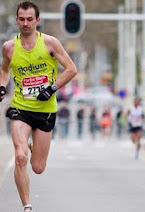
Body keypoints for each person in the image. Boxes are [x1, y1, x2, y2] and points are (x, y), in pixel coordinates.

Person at [0, 2, 77, 212]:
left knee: (38, 167)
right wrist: (1, 86)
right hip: (20, 108)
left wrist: (51, 89)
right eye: (22, 19)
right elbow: (4, 72)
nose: (25, 23)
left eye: (29, 19)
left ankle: (33, 146)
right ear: (17, 20)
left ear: (37, 21)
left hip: (45, 110)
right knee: (20, 156)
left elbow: (71, 69)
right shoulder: (9, 47)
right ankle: (27, 205)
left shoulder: (50, 44)